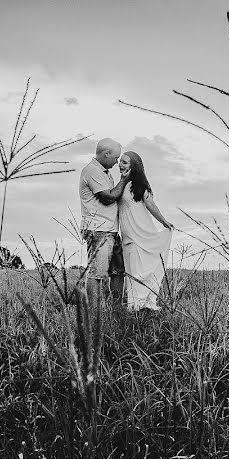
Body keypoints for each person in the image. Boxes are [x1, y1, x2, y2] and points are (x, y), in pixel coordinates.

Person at [79, 138, 129, 334]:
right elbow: (108, 197)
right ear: (106, 154)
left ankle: (116, 308)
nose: (117, 162)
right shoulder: (92, 171)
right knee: (97, 272)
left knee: (118, 270)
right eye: (116, 157)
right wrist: (124, 180)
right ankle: (93, 313)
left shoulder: (103, 172)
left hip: (110, 229)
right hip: (98, 229)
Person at [117, 151, 173, 311]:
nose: (121, 164)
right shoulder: (122, 184)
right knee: (132, 268)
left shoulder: (139, 185)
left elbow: (151, 205)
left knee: (139, 268)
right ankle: (135, 304)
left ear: (134, 166)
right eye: (120, 161)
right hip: (127, 235)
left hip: (141, 232)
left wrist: (164, 221)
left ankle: (138, 305)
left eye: (125, 162)